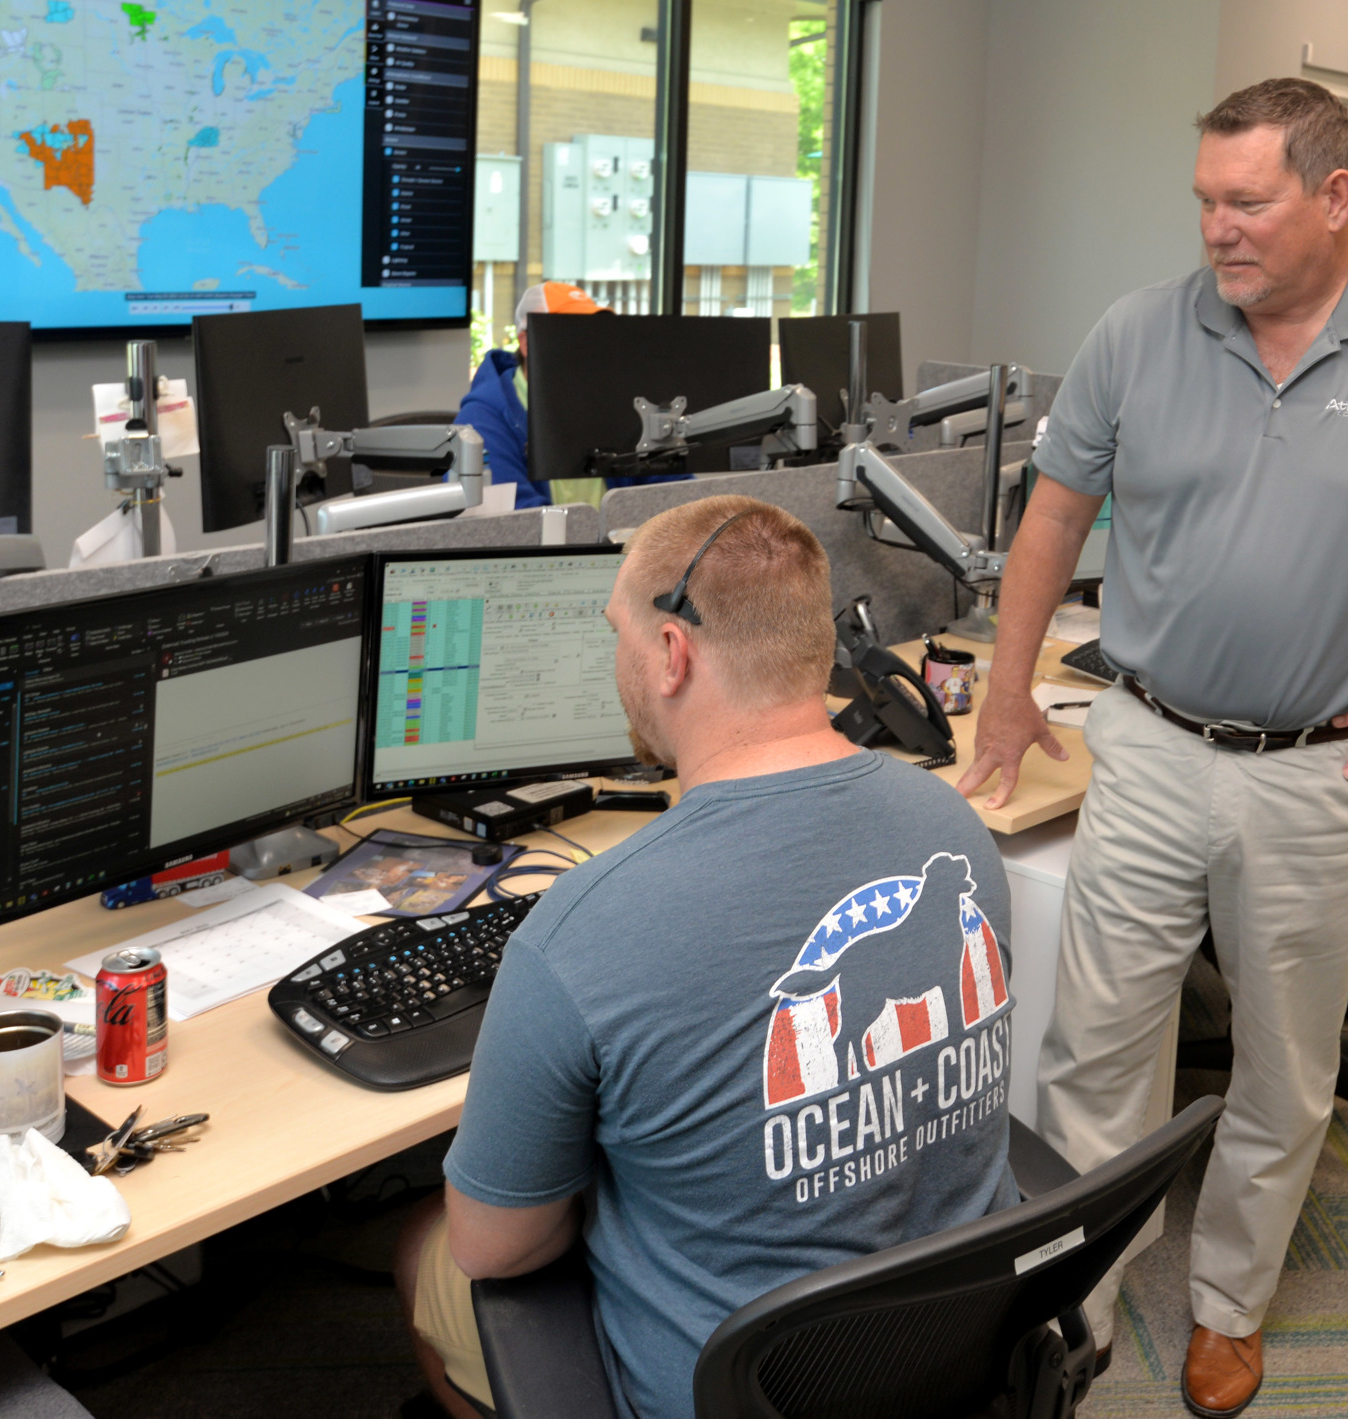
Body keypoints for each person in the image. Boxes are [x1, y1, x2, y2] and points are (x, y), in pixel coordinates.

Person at [956, 77, 1348, 1418]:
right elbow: (1054, 517)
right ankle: (1072, 1301)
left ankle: (1229, 1304)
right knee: (1096, 1044)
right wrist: (1009, 687)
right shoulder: (1140, 332)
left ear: (1333, 196)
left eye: (1246, 200)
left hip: (1327, 769)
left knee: (1285, 1058)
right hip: (1145, 739)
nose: (1218, 229)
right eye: (1204, 200)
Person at [396, 495, 1020, 1419]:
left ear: (672, 654)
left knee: (422, 1244)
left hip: (734, 1394)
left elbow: (496, 1248)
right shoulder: (955, 830)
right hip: (954, 1349)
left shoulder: (580, 932)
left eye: (619, 633)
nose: (617, 661)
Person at [455, 281, 689, 509]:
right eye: (568, 332)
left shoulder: (613, 406)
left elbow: (671, 490)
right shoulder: (481, 419)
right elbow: (511, 519)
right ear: (526, 344)